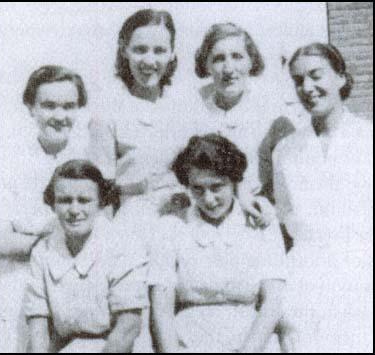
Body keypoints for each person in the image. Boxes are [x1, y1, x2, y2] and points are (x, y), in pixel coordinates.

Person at [273, 43, 373, 353]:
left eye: (316, 75)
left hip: (362, 273)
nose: (308, 87)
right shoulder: (286, 150)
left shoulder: (367, 139)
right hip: (305, 280)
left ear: (341, 77)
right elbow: (286, 217)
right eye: (298, 80)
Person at [149, 134, 287, 353]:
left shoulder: (261, 222)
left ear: (234, 182)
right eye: (198, 189)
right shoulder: (171, 227)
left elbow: (273, 302)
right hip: (190, 342)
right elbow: (162, 309)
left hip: (252, 341)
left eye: (217, 187)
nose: (208, 199)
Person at [0, 65, 90, 352]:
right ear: (30, 107)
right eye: (49, 106)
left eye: (69, 106)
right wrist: (50, 237)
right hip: (21, 280)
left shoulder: (88, 157)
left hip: (79, 280)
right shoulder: (7, 161)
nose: (60, 116)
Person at [24, 160, 149, 353]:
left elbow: (128, 326)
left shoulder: (124, 246)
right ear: (53, 204)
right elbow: (38, 327)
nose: (74, 210)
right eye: (65, 200)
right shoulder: (43, 252)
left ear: (100, 202)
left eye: (84, 200)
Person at [193, 23, 297, 220]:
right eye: (218, 59)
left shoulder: (273, 112)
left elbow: (292, 180)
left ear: (251, 61)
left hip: (258, 213)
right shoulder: (193, 109)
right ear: (206, 65)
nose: (228, 68)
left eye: (237, 57)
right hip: (205, 215)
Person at [89, 9, 185, 213]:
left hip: (184, 219)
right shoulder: (107, 114)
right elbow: (101, 193)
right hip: (132, 222)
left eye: (159, 51)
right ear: (124, 50)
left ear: (172, 53)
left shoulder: (186, 106)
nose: (149, 61)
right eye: (140, 50)